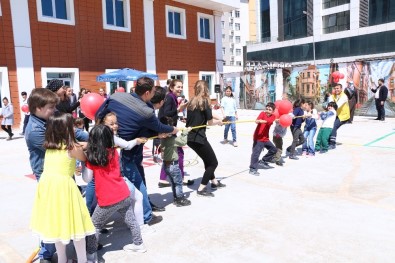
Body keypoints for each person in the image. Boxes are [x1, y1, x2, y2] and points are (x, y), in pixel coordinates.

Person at [96, 77, 178, 225]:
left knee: (137, 174)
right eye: (153, 91)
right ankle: (146, 215)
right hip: (122, 148)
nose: (154, 93)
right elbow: (159, 127)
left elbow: (100, 113)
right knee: (135, 181)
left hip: (117, 143)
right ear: (147, 93)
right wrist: (173, 129)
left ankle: (145, 206)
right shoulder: (146, 111)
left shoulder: (116, 96)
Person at [30, 112, 95, 263]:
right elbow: (84, 158)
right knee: (76, 226)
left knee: (57, 225)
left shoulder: (49, 146)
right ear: (66, 129)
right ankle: (83, 260)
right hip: (64, 189)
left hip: (48, 187)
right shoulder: (72, 147)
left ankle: (62, 259)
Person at [82, 125, 146, 253]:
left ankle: (90, 255)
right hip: (123, 193)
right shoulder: (113, 152)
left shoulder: (93, 158)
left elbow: (87, 179)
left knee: (94, 225)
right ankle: (139, 244)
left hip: (107, 199)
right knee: (131, 220)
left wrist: (84, 162)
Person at [25, 88, 58, 262]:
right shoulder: (34, 131)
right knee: (51, 215)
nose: (54, 111)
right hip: (47, 176)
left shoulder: (48, 119)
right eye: (51, 107)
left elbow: (71, 133)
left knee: (64, 211)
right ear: (38, 108)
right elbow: (60, 146)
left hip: (60, 173)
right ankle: (46, 253)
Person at [186, 80, 225, 197]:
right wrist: (219, 122)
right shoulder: (205, 102)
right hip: (199, 138)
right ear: (206, 89)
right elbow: (210, 122)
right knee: (213, 163)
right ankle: (202, 188)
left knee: (207, 160)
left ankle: (214, 182)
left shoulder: (191, 102)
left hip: (190, 138)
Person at [157, 79, 192, 188]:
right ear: (171, 87)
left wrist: (179, 115)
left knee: (169, 155)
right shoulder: (170, 97)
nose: (180, 89)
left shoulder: (171, 97)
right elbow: (167, 113)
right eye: (178, 87)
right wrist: (179, 109)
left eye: (181, 87)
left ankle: (163, 179)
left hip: (168, 130)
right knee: (179, 153)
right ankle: (180, 177)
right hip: (168, 131)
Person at [160, 116, 192, 207]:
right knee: (178, 183)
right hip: (173, 165)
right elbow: (182, 142)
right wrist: (185, 132)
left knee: (174, 183)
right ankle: (180, 199)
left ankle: (176, 197)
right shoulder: (171, 140)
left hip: (166, 165)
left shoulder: (163, 138)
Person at [249, 102, 277, 176]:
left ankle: (263, 160)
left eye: (269, 110)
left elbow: (269, 122)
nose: (267, 111)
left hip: (265, 138)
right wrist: (258, 121)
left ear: (273, 111)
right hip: (258, 137)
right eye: (266, 109)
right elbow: (257, 120)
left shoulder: (273, 116)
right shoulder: (262, 113)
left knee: (274, 149)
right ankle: (252, 169)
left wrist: (263, 121)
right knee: (256, 153)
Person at [328, 83, 350, 149]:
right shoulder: (332, 96)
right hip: (335, 115)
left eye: (338, 88)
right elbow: (329, 105)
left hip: (343, 116)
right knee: (329, 126)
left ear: (341, 89)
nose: (336, 90)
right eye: (335, 88)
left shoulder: (344, 96)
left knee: (334, 126)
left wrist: (330, 107)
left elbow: (336, 106)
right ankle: (329, 141)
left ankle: (332, 144)